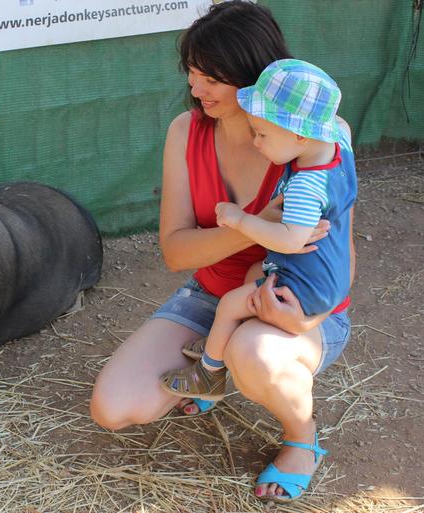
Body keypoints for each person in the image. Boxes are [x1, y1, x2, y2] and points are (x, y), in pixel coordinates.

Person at [88, 0, 355, 503]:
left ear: (253, 78)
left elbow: (340, 251)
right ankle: (215, 373)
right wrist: (256, 226)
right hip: (211, 294)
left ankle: (301, 437)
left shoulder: (319, 137)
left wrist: (310, 319)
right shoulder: (185, 132)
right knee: (114, 406)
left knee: (254, 353)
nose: (195, 89)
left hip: (298, 303)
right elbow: (175, 251)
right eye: (192, 73)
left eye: (211, 78)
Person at [161, 59, 357, 402]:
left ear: (299, 135)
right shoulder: (338, 153)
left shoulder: (303, 185)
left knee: (231, 305)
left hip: (304, 288)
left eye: (262, 134)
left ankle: (209, 373)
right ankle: (224, 346)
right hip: (325, 277)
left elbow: (291, 239)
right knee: (253, 272)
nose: (257, 143)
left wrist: (242, 220)